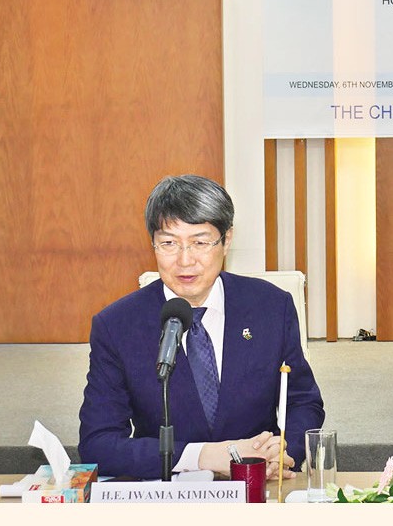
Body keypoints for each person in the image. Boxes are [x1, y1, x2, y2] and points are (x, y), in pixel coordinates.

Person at [79, 174, 324, 480]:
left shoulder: (271, 307)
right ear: (152, 243)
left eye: (200, 242)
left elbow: (302, 400)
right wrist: (201, 456)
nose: (185, 260)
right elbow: (97, 444)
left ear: (226, 240)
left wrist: (285, 450)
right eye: (168, 243)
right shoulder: (117, 325)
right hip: (166, 494)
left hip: (256, 488)